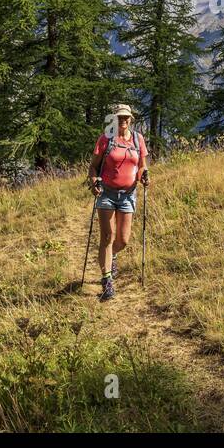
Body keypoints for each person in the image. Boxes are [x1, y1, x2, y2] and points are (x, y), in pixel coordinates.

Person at [88, 104, 149, 301]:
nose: (123, 120)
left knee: (123, 240)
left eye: (126, 117)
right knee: (107, 235)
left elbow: (141, 166)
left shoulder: (138, 140)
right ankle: (106, 281)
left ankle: (111, 256)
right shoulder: (105, 139)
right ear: (114, 119)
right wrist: (94, 181)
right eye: (119, 117)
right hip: (106, 193)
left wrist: (144, 176)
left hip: (128, 194)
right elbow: (93, 167)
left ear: (131, 119)